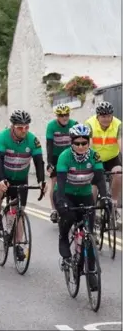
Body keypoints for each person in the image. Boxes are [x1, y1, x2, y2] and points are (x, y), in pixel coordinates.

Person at [53, 124, 110, 291]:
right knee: (69, 217)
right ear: (71, 143)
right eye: (77, 143)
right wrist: (62, 201)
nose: (80, 146)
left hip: (85, 195)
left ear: (88, 142)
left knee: (89, 234)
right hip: (66, 194)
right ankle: (63, 237)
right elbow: (61, 182)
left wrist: (105, 197)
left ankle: (91, 271)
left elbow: (99, 179)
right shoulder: (64, 157)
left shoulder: (95, 156)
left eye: (84, 143)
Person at [0, 109, 46, 261]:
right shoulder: (2, 137)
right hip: (3, 174)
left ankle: (18, 245)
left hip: (21, 178)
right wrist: (1, 180)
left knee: (19, 212)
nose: (24, 130)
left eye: (26, 127)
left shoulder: (32, 140)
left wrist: (41, 181)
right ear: (12, 126)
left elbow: (39, 161)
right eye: (20, 127)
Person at [86, 101, 122, 217]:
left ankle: (114, 203)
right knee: (94, 186)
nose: (106, 119)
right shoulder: (89, 124)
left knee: (119, 173)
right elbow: (88, 145)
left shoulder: (118, 124)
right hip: (96, 159)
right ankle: (92, 210)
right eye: (103, 116)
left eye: (108, 116)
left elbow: (121, 143)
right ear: (98, 116)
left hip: (112, 158)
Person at [46, 104, 78, 223]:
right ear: (57, 116)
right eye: (61, 115)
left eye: (67, 115)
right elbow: (49, 145)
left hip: (70, 156)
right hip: (55, 156)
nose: (65, 117)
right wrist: (49, 163)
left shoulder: (74, 124)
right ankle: (54, 209)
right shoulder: (51, 126)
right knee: (55, 182)